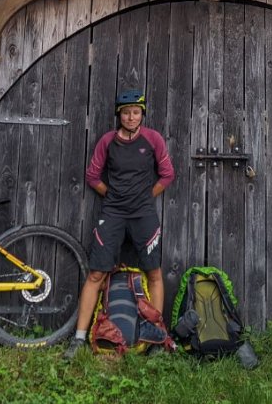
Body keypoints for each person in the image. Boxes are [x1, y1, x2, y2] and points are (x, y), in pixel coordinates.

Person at [62, 87, 175, 360]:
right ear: (119, 115)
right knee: (96, 274)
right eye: (126, 113)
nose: (131, 117)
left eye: (136, 112)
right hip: (112, 212)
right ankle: (79, 339)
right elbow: (92, 175)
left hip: (143, 214)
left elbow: (167, 174)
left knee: (154, 273)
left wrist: (145, 197)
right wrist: (111, 195)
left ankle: (156, 339)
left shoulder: (153, 140)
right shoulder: (107, 142)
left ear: (142, 114)